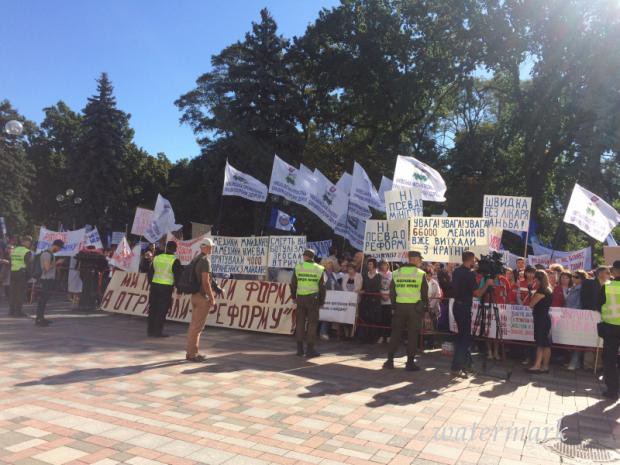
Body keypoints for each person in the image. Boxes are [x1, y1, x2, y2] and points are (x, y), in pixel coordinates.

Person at [450, 251, 494, 378]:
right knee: (464, 339)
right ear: (470, 260)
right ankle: (456, 367)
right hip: (463, 307)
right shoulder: (469, 274)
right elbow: (478, 294)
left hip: (457, 306)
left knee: (463, 337)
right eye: (474, 260)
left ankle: (467, 365)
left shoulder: (457, 271)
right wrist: (487, 284)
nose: (475, 262)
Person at [382, 251, 429, 372]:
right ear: (415, 259)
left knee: (396, 333)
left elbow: (392, 292)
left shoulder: (396, 273)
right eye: (420, 259)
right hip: (415, 309)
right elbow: (424, 294)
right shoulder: (420, 273)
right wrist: (425, 309)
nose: (421, 261)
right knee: (412, 334)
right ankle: (410, 363)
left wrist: (394, 307)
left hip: (399, 307)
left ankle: (390, 360)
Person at [291, 249, 326, 358]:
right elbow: (322, 287)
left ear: (305, 256)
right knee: (312, 323)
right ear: (313, 257)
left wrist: (293, 297)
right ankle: (310, 349)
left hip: (300, 298)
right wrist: (322, 301)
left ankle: (300, 349)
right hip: (313, 299)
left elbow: (293, 284)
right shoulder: (319, 269)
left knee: (300, 322)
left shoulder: (298, 267)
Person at [186, 239, 216, 362]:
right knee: (197, 328)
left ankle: (190, 352)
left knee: (193, 326)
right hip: (202, 297)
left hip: (194, 295)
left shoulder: (196, 259)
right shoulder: (205, 261)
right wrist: (212, 298)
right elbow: (206, 282)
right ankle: (193, 354)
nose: (212, 249)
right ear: (207, 247)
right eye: (211, 247)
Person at [146, 241, 181, 338]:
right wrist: (179, 289)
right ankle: (158, 332)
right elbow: (177, 276)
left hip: (154, 286)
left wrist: (151, 283)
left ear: (166, 248)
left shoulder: (157, 258)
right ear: (175, 249)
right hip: (166, 288)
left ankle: (150, 331)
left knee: (152, 308)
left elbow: (150, 273)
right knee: (161, 310)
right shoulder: (175, 260)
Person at [598, 260, 620, 400]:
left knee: (610, 360)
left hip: (611, 328)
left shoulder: (607, 286)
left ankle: (612, 390)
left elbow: (598, 303)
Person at [526, 270, 553, 374]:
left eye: (535, 278)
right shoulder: (548, 289)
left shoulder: (541, 291)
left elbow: (531, 304)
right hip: (544, 318)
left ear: (537, 279)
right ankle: (541, 365)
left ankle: (540, 365)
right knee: (544, 344)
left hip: (541, 319)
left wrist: (531, 292)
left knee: (542, 344)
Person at [36, 239, 65, 327]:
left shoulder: (50, 254)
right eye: (60, 248)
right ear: (56, 246)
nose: (59, 250)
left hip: (48, 279)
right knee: (43, 300)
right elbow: (47, 268)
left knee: (44, 300)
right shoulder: (47, 254)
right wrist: (57, 263)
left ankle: (41, 317)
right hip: (46, 279)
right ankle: (39, 319)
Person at [75, 245, 108, 311]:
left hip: (84, 272)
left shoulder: (82, 254)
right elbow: (104, 264)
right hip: (94, 273)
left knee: (85, 289)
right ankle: (91, 305)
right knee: (93, 289)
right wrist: (101, 269)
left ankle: (83, 305)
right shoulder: (98, 255)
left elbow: (77, 263)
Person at [566, 270, 586, 370]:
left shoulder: (582, 289)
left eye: (576, 277)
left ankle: (574, 362)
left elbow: (579, 304)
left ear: (582, 279)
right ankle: (574, 362)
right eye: (573, 276)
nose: (574, 278)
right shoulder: (572, 288)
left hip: (577, 316)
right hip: (570, 316)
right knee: (572, 339)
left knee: (577, 340)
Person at [359, 257, 382, 343]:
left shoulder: (379, 276)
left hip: (374, 301)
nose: (369, 265)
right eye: (368, 264)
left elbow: (377, 288)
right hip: (365, 300)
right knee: (365, 319)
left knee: (374, 320)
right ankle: (365, 338)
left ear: (374, 265)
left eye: (370, 264)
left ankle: (373, 338)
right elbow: (362, 286)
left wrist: (365, 291)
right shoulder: (364, 275)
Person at [9, 236, 32, 318]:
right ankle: (18, 312)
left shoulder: (15, 249)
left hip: (13, 272)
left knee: (13, 292)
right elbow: (28, 265)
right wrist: (29, 275)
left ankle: (11, 311)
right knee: (20, 293)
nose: (30, 244)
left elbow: (10, 260)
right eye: (30, 242)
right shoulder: (27, 251)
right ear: (26, 242)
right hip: (21, 273)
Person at [319, 257, 341, 340]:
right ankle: (322, 332)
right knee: (325, 315)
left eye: (331, 265)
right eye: (328, 265)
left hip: (332, 298)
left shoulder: (334, 275)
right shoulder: (323, 274)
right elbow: (321, 286)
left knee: (328, 315)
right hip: (325, 297)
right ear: (324, 265)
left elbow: (337, 286)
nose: (330, 267)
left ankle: (325, 332)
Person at [378, 260, 393, 344]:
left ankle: (388, 336)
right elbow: (377, 286)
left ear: (388, 265)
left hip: (389, 300)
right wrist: (381, 295)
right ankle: (381, 336)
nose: (383, 266)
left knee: (388, 319)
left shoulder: (392, 274)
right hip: (380, 299)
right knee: (381, 319)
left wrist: (388, 296)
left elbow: (393, 287)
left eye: (385, 265)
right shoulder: (378, 274)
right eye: (382, 265)